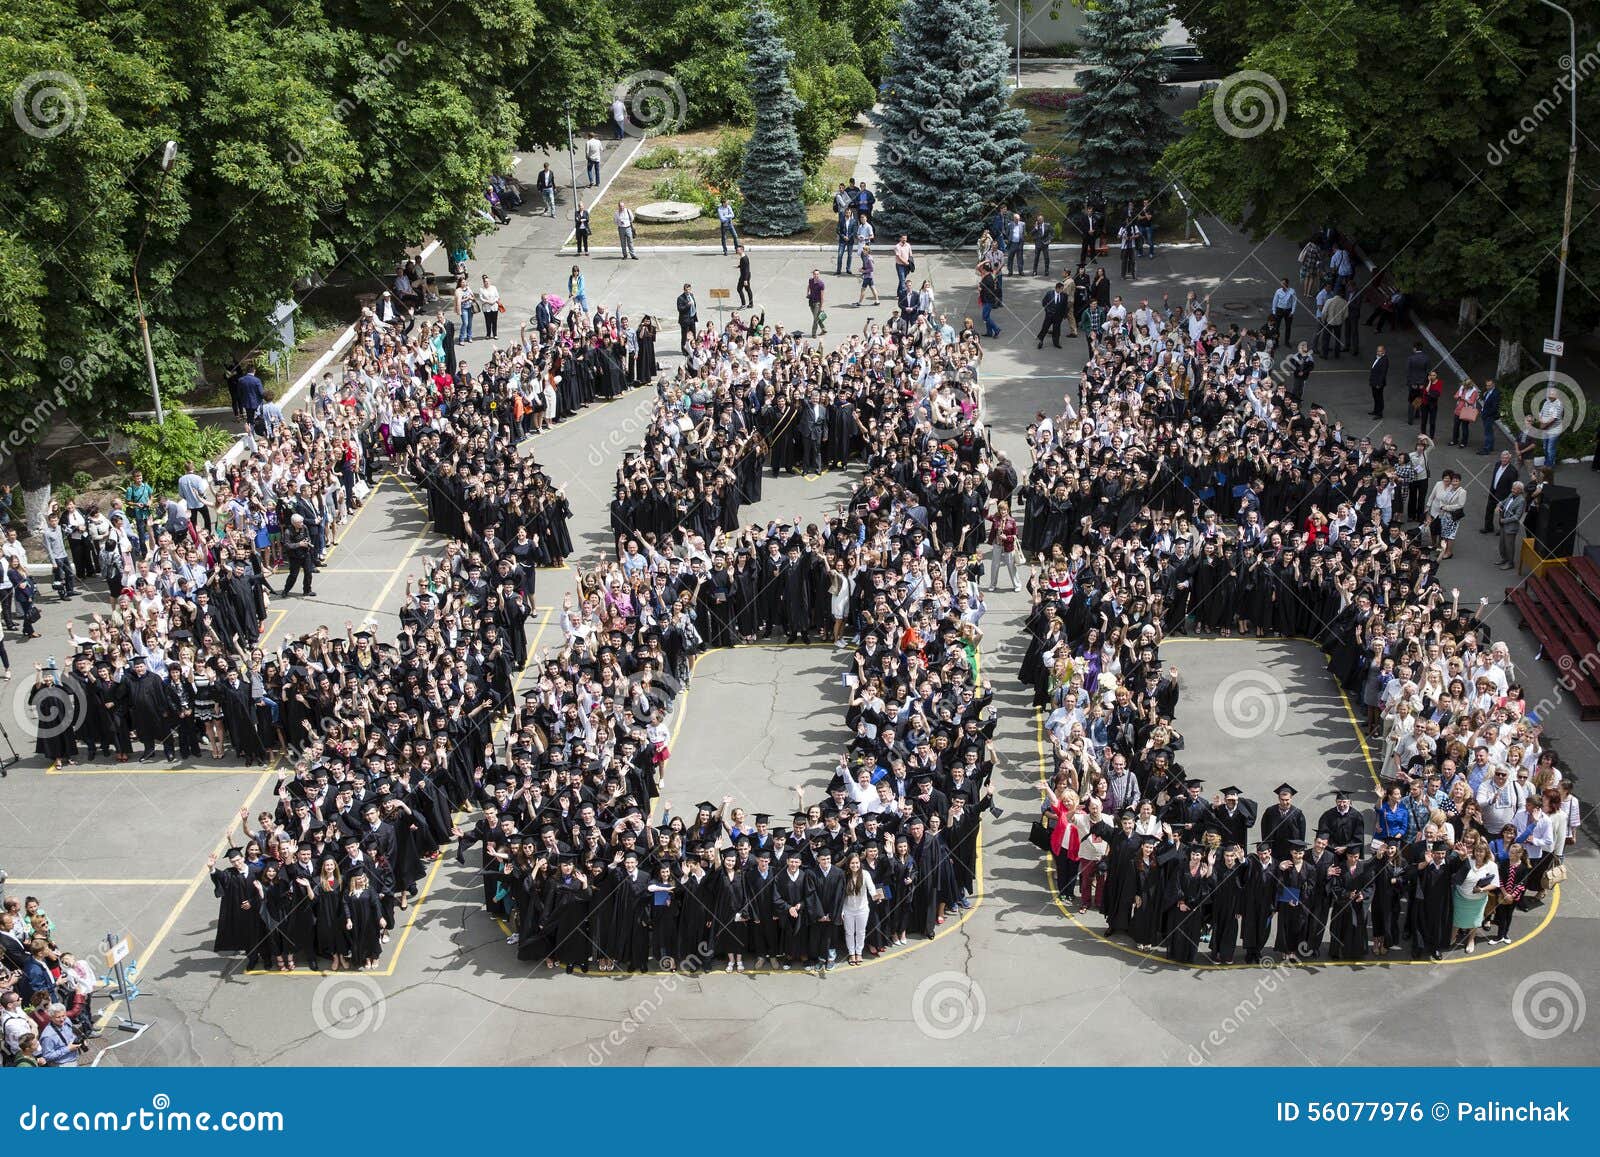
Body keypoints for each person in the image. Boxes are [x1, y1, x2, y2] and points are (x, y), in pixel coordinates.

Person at [675, 283, 697, 355]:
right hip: (685, 320)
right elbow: (680, 309)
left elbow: (694, 306)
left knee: (693, 334)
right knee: (685, 336)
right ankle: (684, 350)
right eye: (686, 290)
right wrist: (687, 305)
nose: (688, 291)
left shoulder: (692, 295)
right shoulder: (680, 298)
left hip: (692, 318)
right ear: (684, 290)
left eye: (689, 289)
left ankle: (693, 348)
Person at [806, 269, 826, 336]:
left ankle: (813, 333)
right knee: (816, 317)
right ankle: (823, 329)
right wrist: (807, 293)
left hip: (817, 303)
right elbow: (808, 286)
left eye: (817, 274)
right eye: (815, 274)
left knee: (815, 319)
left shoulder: (821, 284)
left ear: (819, 275)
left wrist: (822, 306)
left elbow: (822, 296)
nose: (816, 275)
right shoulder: (811, 280)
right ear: (813, 274)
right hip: (811, 301)